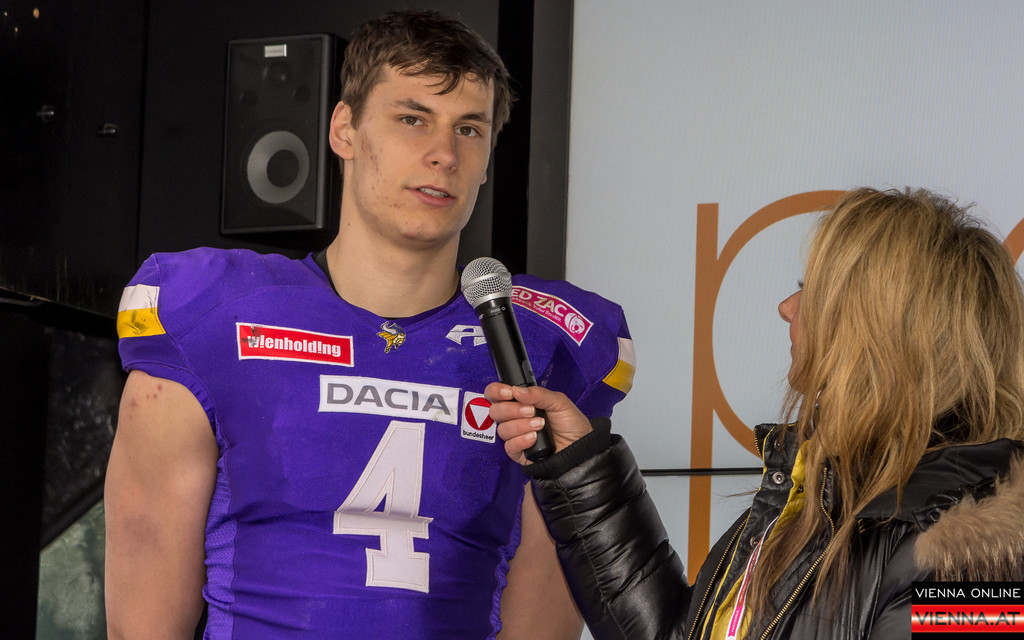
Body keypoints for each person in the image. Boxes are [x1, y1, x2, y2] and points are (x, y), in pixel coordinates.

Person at [105, 9, 635, 639]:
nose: (443, 155)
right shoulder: (212, 315)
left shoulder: (540, 343)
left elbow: (539, 623)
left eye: (469, 129)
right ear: (344, 129)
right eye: (412, 118)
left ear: (489, 158)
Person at [488, 187, 1024, 639]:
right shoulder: (816, 496)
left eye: (810, 292)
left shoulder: (970, 546)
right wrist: (580, 465)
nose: (786, 308)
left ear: (881, 328)